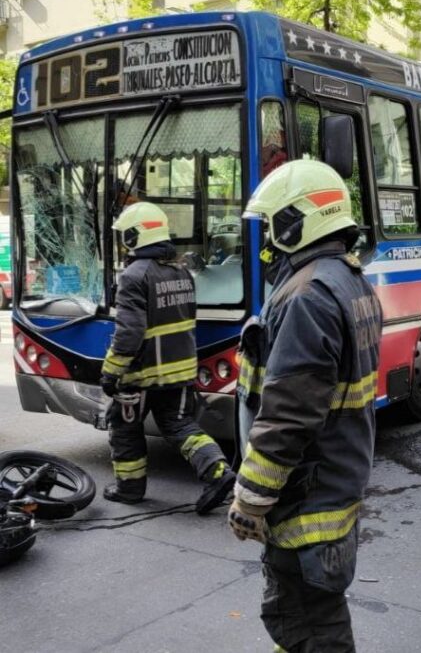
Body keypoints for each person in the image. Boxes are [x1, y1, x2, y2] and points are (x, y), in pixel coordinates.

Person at [228, 160, 382, 652]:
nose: (268, 242)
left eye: (272, 226)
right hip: (336, 481)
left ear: (296, 221)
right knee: (305, 620)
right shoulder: (348, 281)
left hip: (305, 496)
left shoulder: (308, 295)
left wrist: (251, 498)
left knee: (309, 624)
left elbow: (288, 416)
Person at [101, 202, 235, 514]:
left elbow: (130, 333)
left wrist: (111, 372)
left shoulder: (133, 276)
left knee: (124, 428)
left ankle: (130, 489)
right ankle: (218, 472)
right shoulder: (182, 273)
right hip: (181, 370)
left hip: (142, 373)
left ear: (135, 237)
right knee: (179, 425)